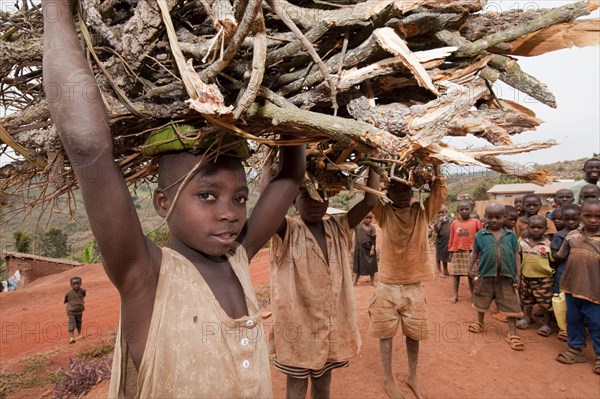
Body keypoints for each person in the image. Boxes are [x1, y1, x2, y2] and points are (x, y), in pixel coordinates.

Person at [43, 1, 306, 396]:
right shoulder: (145, 276)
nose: (229, 214)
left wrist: (295, 99)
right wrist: (56, 10)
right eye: (206, 195)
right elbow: (87, 150)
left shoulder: (238, 256)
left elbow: (289, 176)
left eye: (239, 199)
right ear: (162, 204)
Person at [270, 169, 379, 399]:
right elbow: (269, 203)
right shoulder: (287, 229)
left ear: (329, 198)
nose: (315, 202)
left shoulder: (338, 227)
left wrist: (375, 161)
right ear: (293, 200)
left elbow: (370, 200)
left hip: (331, 327)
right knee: (296, 389)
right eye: (307, 196)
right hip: (297, 328)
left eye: (321, 196)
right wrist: (274, 164)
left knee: (323, 385)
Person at [369, 166, 447, 399]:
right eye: (395, 188)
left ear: (413, 190)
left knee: (415, 333)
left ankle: (412, 375)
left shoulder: (422, 213)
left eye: (406, 188)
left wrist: (436, 165)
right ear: (388, 193)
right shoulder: (384, 214)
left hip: (414, 285)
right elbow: (369, 196)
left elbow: (439, 193)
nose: (402, 193)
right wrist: (372, 166)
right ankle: (388, 378)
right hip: (387, 284)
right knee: (386, 333)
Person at [468, 203, 524, 351]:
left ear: (504, 218)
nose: (494, 220)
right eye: (490, 217)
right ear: (485, 217)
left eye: (498, 217)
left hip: (506, 276)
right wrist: (470, 268)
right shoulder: (481, 234)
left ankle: (513, 333)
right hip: (485, 274)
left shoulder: (511, 235)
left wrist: (518, 274)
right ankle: (480, 323)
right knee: (481, 298)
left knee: (510, 302)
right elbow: (474, 252)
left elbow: (515, 254)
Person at [555, 199, 600, 375]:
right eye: (588, 216)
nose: (593, 220)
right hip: (571, 288)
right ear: (581, 216)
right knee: (573, 320)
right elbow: (562, 256)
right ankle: (575, 349)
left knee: (597, 324)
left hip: (595, 292)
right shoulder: (572, 235)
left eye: (598, 216)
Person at [515, 216, 554, 337]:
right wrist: (519, 274)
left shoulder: (548, 244)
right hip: (526, 277)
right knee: (526, 299)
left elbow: (553, 261)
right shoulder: (522, 242)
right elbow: (518, 256)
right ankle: (527, 319)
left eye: (539, 227)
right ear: (528, 228)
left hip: (544, 279)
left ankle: (547, 324)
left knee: (546, 302)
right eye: (532, 227)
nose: (536, 230)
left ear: (546, 229)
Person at [550, 204, 580, 342]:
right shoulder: (559, 235)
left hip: (581, 270)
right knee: (560, 295)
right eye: (567, 219)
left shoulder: (583, 233)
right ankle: (563, 327)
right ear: (562, 219)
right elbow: (556, 255)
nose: (571, 222)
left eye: (574, 219)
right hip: (564, 268)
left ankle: (579, 325)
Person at [447, 200, 482, 303]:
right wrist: (451, 251)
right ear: (458, 211)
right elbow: (452, 238)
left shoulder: (476, 222)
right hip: (458, 251)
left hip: (472, 252)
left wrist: (481, 252)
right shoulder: (455, 223)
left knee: (471, 275)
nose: (464, 211)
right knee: (455, 275)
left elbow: (481, 237)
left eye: (467, 209)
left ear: (471, 210)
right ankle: (455, 295)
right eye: (461, 209)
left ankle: (473, 294)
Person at [353, 212, 378, 286]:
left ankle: (372, 281)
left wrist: (372, 249)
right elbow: (352, 223)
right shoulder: (358, 226)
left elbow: (373, 239)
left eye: (370, 218)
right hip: (360, 249)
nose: (368, 220)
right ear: (362, 218)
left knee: (371, 265)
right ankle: (355, 281)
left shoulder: (372, 227)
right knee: (358, 266)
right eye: (366, 218)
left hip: (369, 249)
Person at [64, 276, 86, 344]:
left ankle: (79, 334)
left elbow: (83, 296)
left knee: (79, 322)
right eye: (74, 284)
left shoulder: (82, 291)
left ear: (81, 283)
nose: (76, 285)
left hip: (79, 310)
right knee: (72, 323)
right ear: (71, 285)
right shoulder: (69, 293)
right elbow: (65, 300)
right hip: (71, 311)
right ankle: (71, 337)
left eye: (78, 283)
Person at [433, 207, 451, 277]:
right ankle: (439, 271)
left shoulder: (449, 220)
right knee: (438, 256)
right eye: (439, 213)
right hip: (440, 241)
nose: (440, 214)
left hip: (447, 241)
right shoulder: (437, 221)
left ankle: (445, 270)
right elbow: (436, 230)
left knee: (445, 255)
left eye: (442, 212)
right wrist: (440, 222)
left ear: (446, 212)